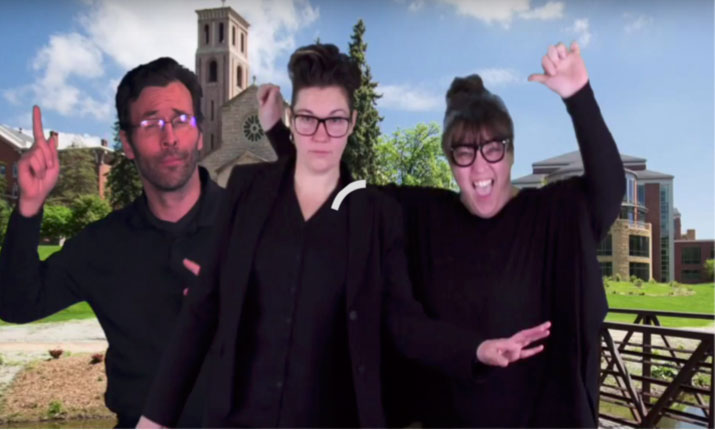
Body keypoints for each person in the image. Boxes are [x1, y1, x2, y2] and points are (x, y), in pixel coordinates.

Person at [137, 43, 550, 429]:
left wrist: (476, 349)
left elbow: (404, 323)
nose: (321, 135)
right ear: (291, 121)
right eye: (307, 119)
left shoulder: (374, 215)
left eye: (335, 120)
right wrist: (154, 420)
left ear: (351, 123)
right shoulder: (247, 189)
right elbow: (202, 310)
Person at [261, 41, 625, 427]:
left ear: (511, 151)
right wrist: (277, 132)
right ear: (450, 160)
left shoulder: (551, 214)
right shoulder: (422, 215)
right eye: (464, 152)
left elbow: (609, 190)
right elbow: (341, 197)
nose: (480, 168)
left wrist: (578, 94)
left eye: (492, 149)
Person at [0, 57, 223, 428]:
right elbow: (15, 303)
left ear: (199, 133)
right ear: (128, 143)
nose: (169, 138)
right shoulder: (103, 244)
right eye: (151, 124)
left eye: (181, 120)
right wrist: (28, 208)